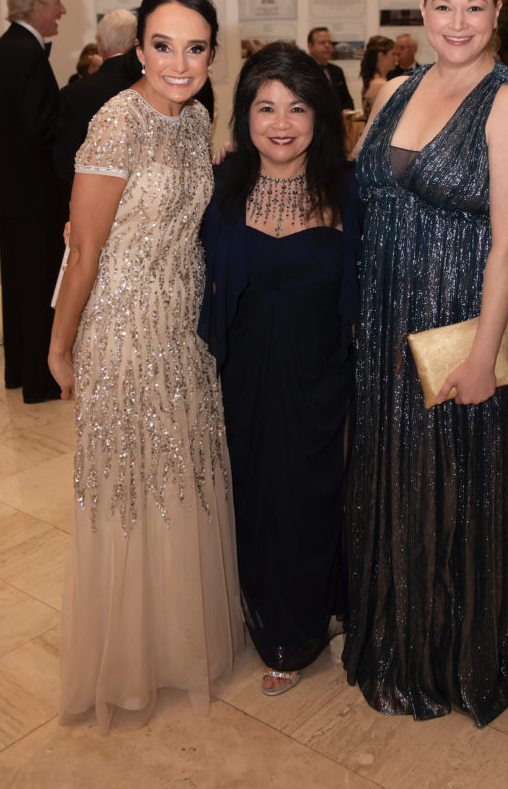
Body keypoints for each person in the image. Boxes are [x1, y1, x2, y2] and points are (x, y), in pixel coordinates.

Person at [343, 0, 508, 726]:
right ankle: (397, 638)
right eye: (444, 6)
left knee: (455, 484)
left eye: (475, 7)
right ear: (422, 11)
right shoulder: (396, 90)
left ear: (497, 13)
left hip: (459, 324)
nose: (458, 22)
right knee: (396, 474)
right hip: (386, 322)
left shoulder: (507, 103)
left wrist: (480, 358)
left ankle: (456, 654)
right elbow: (364, 194)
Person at [48, 0, 243, 733]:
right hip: (125, 330)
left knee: (181, 477)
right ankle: (128, 661)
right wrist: (60, 346)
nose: (178, 62)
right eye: (163, 45)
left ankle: (176, 646)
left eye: (194, 48)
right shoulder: (114, 121)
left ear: (211, 55)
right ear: (138, 48)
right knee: (132, 485)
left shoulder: (195, 120)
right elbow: (86, 249)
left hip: (182, 326)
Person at [199, 42, 361, 696]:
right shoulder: (219, 189)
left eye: (296, 106)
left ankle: (305, 622)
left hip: (322, 385)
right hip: (239, 383)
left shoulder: (348, 194)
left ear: (319, 115)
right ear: (244, 115)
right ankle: (268, 620)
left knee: (310, 501)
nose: (281, 121)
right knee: (253, 500)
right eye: (265, 106)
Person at [0, 0, 67, 403]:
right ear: (37, 6)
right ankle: (39, 382)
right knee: (38, 290)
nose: (61, 10)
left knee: (19, 289)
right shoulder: (28, 52)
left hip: (12, 190)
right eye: (56, 2)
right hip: (36, 195)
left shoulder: (5, 47)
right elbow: (42, 127)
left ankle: (19, 371)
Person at [53, 9, 138, 197]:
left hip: (93, 198)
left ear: (99, 45)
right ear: (136, 43)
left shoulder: (74, 93)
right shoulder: (154, 87)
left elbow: (64, 162)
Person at [307, 27, 355, 111]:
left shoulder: (337, 71)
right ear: (310, 47)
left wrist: (347, 110)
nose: (327, 45)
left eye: (329, 42)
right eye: (322, 42)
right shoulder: (302, 71)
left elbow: (347, 100)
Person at [359, 35, 397, 120]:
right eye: (393, 54)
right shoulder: (380, 84)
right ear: (381, 56)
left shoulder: (371, 80)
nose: (396, 58)